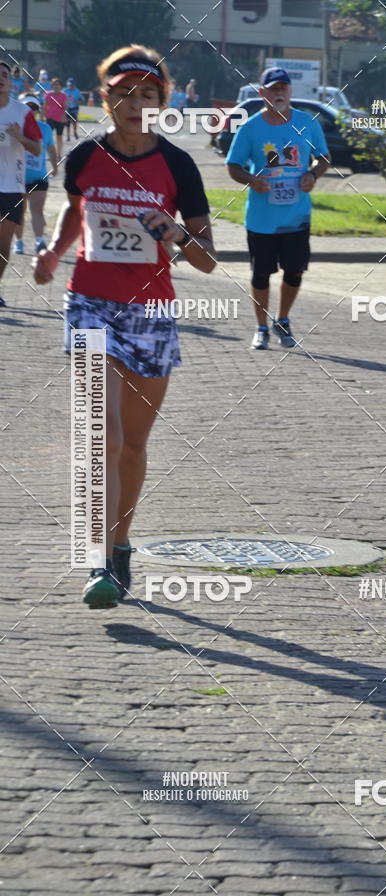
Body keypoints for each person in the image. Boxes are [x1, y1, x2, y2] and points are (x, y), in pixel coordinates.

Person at [33, 45, 216, 609]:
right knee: (102, 437)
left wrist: (174, 234)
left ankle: (120, 546)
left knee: (133, 445)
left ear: (163, 101)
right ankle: (94, 562)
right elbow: (75, 210)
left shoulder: (179, 166)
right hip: (89, 302)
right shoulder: (86, 158)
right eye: (124, 94)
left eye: (148, 94)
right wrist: (53, 252)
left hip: (153, 311)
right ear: (105, 99)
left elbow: (208, 259)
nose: (136, 104)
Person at [225, 66, 330, 350]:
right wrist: (250, 180)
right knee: (261, 274)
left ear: (290, 91)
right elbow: (233, 166)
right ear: (263, 93)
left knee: (294, 271)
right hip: (261, 218)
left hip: (296, 216)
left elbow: (323, 158)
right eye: (274, 88)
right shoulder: (250, 127)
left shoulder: (308, 123)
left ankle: (282, 320)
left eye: (284, 87)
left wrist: (313, 175)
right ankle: (261, 327)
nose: (280, 92)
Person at [0, 60, 42, 307]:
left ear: (10, 81)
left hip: (11, 187)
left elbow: (36, 149)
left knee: (3, 248)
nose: (1, 78)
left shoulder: (21, 112)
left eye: (5, 75)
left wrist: (20, 137)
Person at [14, 94, 58, 255]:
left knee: (37, 209)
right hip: (17, 178)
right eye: (27, 108)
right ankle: (19, 242)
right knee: (19, 211)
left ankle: (39, 241)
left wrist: (55, 166)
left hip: (39, 177)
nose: (30, 111)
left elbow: (52, 149)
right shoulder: (14, 127)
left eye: (34, 108)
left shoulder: (45, 128)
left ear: (38, 111)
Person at [43, 77, 68, 157]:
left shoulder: (63, 95)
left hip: (60, 119)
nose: (56, 86)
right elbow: (45, 106)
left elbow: (65, 107)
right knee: (47, 136)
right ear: (52, 86)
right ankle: (48, 154)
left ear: (61, 86)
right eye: (54, 84)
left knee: (59, 137)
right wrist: (42, 116)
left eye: (58, 84)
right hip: (50, 118)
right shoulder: (48, 94)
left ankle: (59, 154)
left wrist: (63, 116)